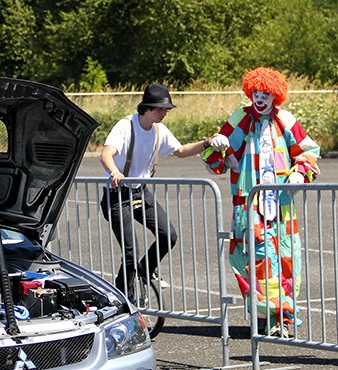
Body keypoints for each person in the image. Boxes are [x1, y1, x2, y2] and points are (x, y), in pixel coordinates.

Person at [203, 67, 321, 337]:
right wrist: (217, 145)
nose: (259, 98)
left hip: (281, 207)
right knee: (256, 259)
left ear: (275, 96)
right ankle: (266, 315)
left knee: (286, 258)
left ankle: (285, 317)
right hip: (249, 205)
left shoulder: (286, 121)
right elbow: (217, 162)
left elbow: (309, 151)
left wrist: (299, 173)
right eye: (256, 92)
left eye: (265, 93)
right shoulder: (240, 118)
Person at [100, 83, 213, 299]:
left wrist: (207, 142)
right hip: (117, 194)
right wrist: (114, 171)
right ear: (147, 107)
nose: (164, 113)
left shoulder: (159, 130)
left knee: (168, 235)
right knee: (130, 251)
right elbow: (106, 154)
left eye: (166, 109)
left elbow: (180, 151)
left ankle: (145, 269)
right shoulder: (126, 126)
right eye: (160, 109)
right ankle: (125, 296)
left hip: (140, 192)